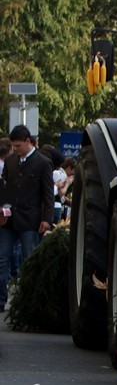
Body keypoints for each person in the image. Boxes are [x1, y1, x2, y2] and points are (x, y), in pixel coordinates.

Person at [0, 125, 54, 311]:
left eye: (18, 146)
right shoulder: (11, 161)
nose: (15, 149)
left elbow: (48, 194)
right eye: (13, 146)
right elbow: (5, 187)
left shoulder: (43, 162)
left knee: (29, 260)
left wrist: (46, 219)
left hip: (30, 220)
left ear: (28, 142)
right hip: (9, 219)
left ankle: (28, 302)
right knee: (2, 258)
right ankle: (1, 301)